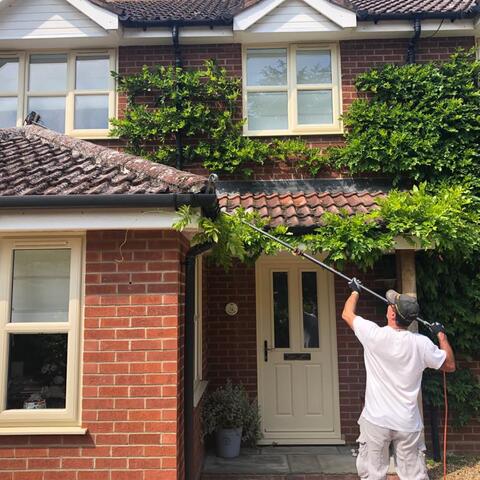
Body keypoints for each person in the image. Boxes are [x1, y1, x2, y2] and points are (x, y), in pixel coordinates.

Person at [341, 278, 455, 480]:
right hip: (407, 422)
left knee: (372, 476)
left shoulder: (373, 334)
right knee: (414, 477)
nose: (388, 305)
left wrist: (355, 291)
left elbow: (347, 314)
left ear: (392, 314)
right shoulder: (421, 344)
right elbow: (449, 365)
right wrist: (441, 335)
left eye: (391, 304)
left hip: (376, 420)